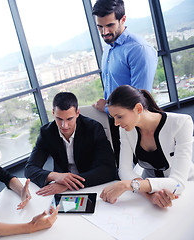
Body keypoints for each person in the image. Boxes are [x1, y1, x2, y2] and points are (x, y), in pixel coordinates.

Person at [100, 85, 194, 208]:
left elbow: (177, 184)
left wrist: (128, 185)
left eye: (119, 117)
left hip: (185, 189)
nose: (116, 123)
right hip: (148, 191)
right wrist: (150, 196)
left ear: (138, 108)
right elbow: (124, 170)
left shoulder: (181, 123)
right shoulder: (126, 130)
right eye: (114, 118)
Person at [92, 0, 158, 164]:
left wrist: (105, 107)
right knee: (120, 169)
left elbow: (139, 98)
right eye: (100, 26)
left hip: (134, 123)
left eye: (109, 25)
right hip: (116, 119)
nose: (104, 32)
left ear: (123, 19)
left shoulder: (139, 50)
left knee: (141, 169)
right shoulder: (109, 46)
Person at [25, 92, 117, 196]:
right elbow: (30, 168)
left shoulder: (94, 129)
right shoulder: (47, 132)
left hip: (91, 183)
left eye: (69, 119)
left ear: (77, 113)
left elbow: (108, 169)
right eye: (59, 119)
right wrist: (55, 176)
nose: (64, 126)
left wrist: (69, 184)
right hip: (60, 186)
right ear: (53, 113)